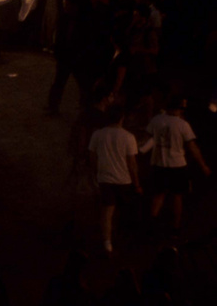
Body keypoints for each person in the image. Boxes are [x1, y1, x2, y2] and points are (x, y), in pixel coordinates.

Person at [142, 95, 209, 231]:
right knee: (177, 196)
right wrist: (203, 165)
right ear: (179, 108)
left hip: (159, 163)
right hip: (177, 164)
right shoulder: (182, 125)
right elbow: (192, 146)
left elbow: (147, 140)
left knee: (159, 194)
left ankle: (152, 224)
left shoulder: (156, 120)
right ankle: (175, 226)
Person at [87, 104, 139, 255]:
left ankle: (107, 243)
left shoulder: (98, 135)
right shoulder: (128, 137)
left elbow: (92, 158)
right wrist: (137, 184)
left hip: (105, 180)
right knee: (125, 211)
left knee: (107, 213)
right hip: (124, 181)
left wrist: (96, 174)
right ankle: (124, 239)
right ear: (122, 118)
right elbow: (132, 164)